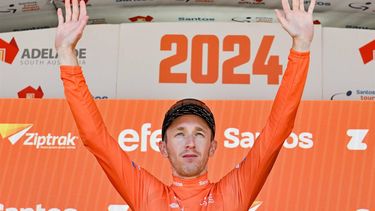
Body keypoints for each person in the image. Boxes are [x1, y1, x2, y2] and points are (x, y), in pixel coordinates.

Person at [56, 0, 316, 210]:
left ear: (213, 147)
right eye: (179, 134)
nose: (190, 143)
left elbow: (277, 130)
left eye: (199, 134)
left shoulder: (233, 194)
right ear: (163, 147)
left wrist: (301, 47)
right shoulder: (148, 197)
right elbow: (94, 138)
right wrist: (67, 54)